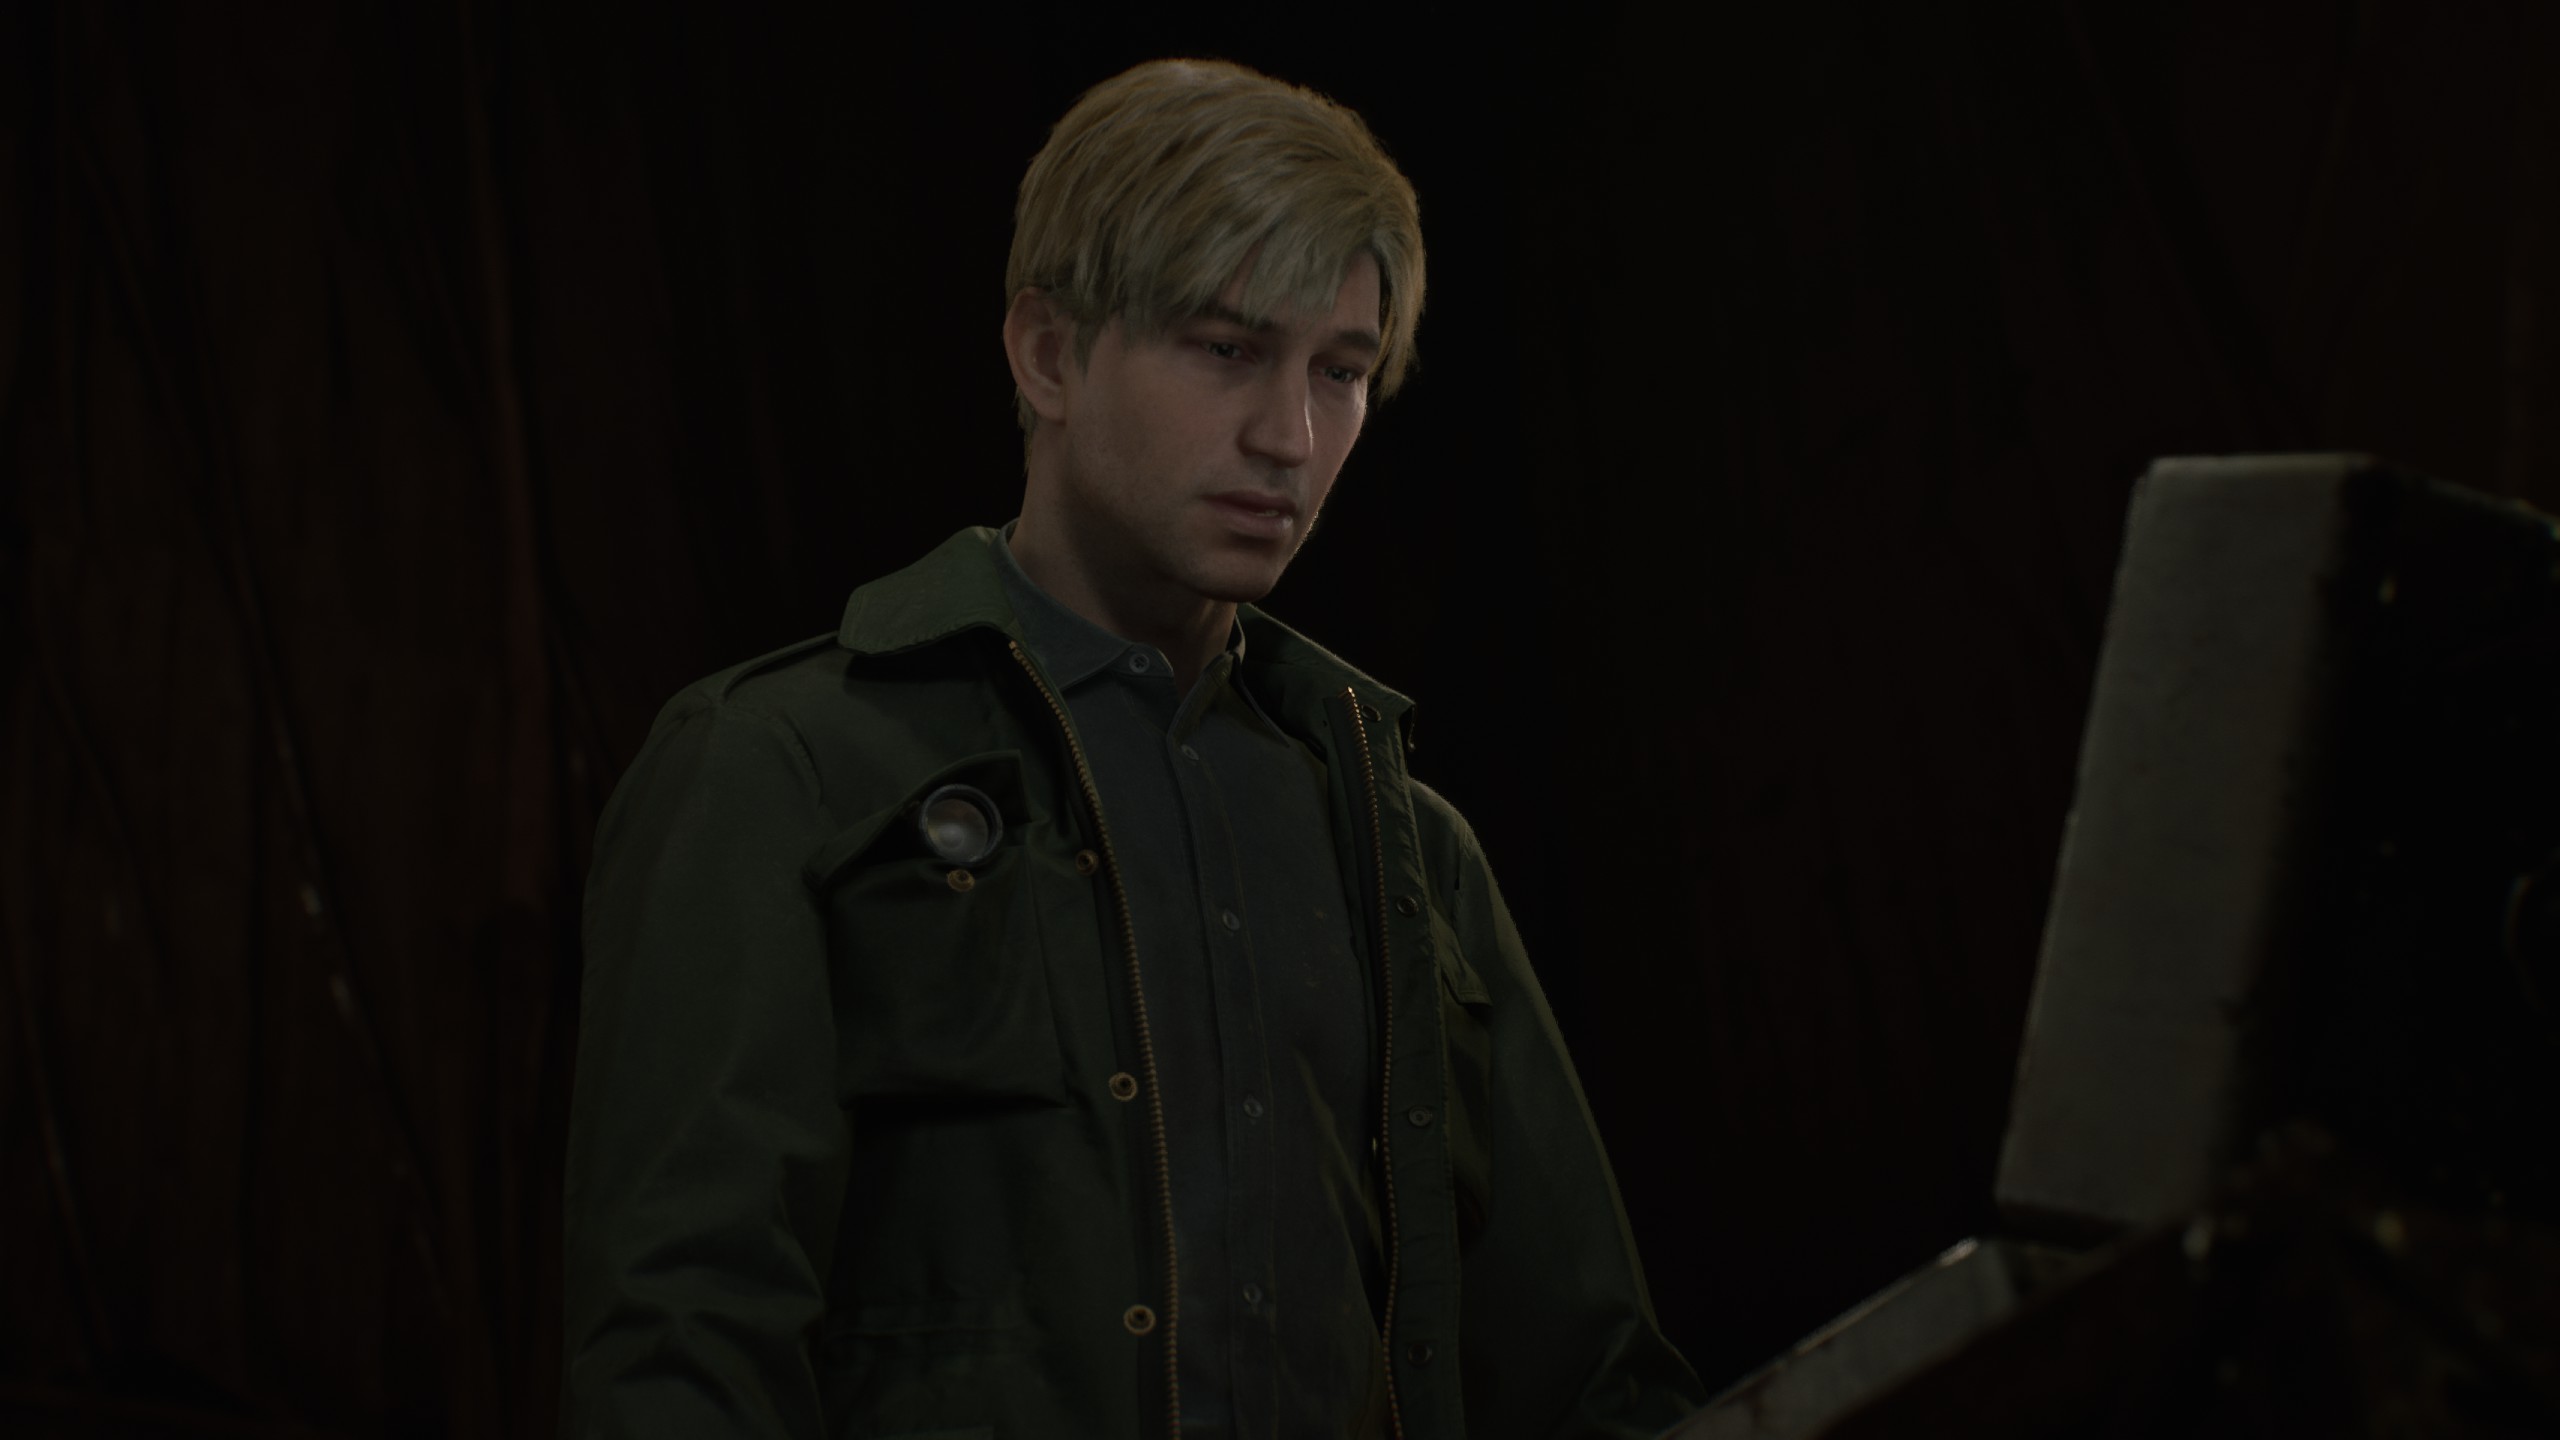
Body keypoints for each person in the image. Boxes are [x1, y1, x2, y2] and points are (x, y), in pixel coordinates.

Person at [560, 55, 1705, 1440]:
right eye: (1226, 348)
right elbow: (683, 1349)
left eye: (1341, 372)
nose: (1289, 436)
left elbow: (1595, 1381)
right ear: (1048, 354)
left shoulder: (1405, 846)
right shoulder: (778, 772)